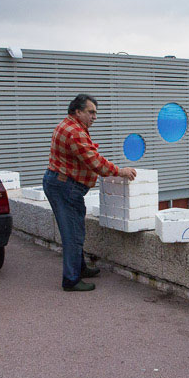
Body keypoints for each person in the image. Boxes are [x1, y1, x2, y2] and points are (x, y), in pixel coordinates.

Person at [43, 94, 136, 292]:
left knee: (75, 228)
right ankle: (71, 279)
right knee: (73, 234)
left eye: (95, 113)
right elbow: (95, 162)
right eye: (90, 112)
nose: (94, 117)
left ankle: (80, 268)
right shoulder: (74, 132)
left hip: (60, 184)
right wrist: (121, 171)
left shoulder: (69, 125)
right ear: (77, 111)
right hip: (65, 187)